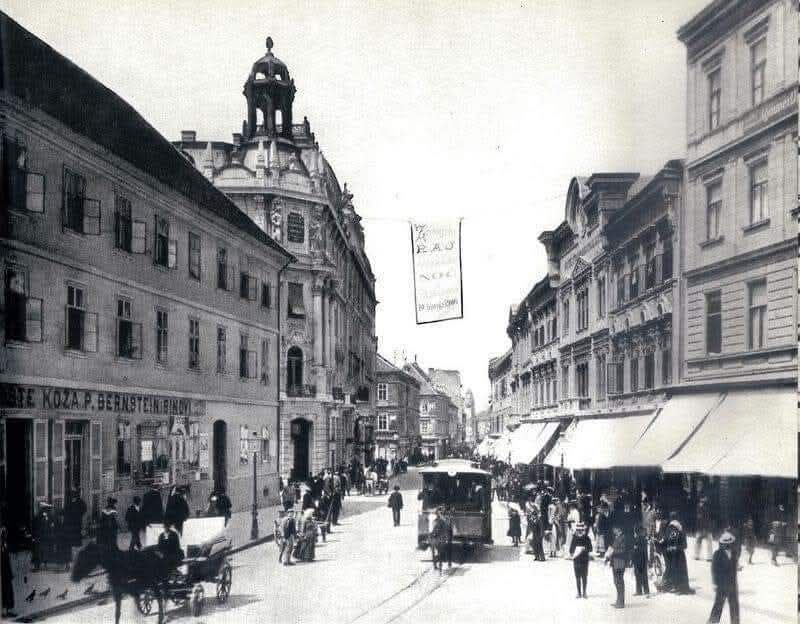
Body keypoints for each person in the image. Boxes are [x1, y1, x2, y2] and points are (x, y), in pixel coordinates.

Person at [708, 531, 739, 624]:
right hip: (721, 584)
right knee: (718, 604)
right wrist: (715, 582)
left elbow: (734, 567)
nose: (727, 546)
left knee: (734, 605)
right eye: (725, 544)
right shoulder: (717, 554)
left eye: (729, 544)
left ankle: (735, 622)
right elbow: (714, 570)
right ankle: (713, 621)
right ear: (721, 544)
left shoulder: (734, 553)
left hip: (732, 584)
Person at [661, 512, 694, 594]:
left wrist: (667, 546)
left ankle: (676, 586)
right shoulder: (680, 527)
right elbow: (684, 544)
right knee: (682, 570)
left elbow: (668, 540)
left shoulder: (671, 528)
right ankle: (683, 587)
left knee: (674, 569)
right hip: (680, 552)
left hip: (673, 553)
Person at [604, 526, 627, 609]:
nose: (613, 530)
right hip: (615, 562)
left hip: (620, 562)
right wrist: (608, 557)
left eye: (615, 529)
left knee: (619, 582)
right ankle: (618, 600)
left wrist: (613, 552)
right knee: (616, 582)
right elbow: (613, 549)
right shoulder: (617, 537)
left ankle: (621, 602)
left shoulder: (623, 538)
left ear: (619, 529)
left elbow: (623, 550)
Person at [569, 522, 592, 599]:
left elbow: (590, 548)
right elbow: (570, 550)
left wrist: (584, 549)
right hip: (577, 560)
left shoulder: (587, 538)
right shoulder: (574, 538)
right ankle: (579, 592)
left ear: (583, 530)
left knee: (584, 576)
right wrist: (574, 551)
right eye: (578, 530)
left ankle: (584, 592)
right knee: (577, 577)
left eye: (581, 530)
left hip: (584, 560)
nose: (580, 531)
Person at [31, 501, 56, 570]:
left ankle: (44, 564)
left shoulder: (49, 516)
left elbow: (51, 525)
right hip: (39, 536)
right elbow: (34, 527)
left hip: (45, 536)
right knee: (38, 551)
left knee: (45, 550)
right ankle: (37, 565)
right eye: (45, 509)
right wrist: (34, 536)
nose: (46, 510)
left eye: (46, 509)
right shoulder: (37, 517)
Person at [1, 522, 16, 618]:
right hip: (3, 572)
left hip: (7, 572)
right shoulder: (2, 546)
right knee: (5, 591)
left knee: (9, 591)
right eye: (3, 532)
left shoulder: (5, 545)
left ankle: (8, 610)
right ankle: (5, 611)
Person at [631, 524, 650, 597]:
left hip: (638, 560)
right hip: (643, 559)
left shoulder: (638, 539)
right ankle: (646, 590)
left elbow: (635, 551)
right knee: (644, 575)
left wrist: (632, 559)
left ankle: (639, 591)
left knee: (638, 575)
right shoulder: (643, 539)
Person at [694, 494, 713, 562]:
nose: (706, 499)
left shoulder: (705, 506)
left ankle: (699, 555)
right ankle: (699, 555)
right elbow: (700, 518)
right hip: (703, 526)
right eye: (704, 498)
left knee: (701, 541)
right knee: (700, 541)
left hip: (704, 526)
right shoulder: (701, 506)